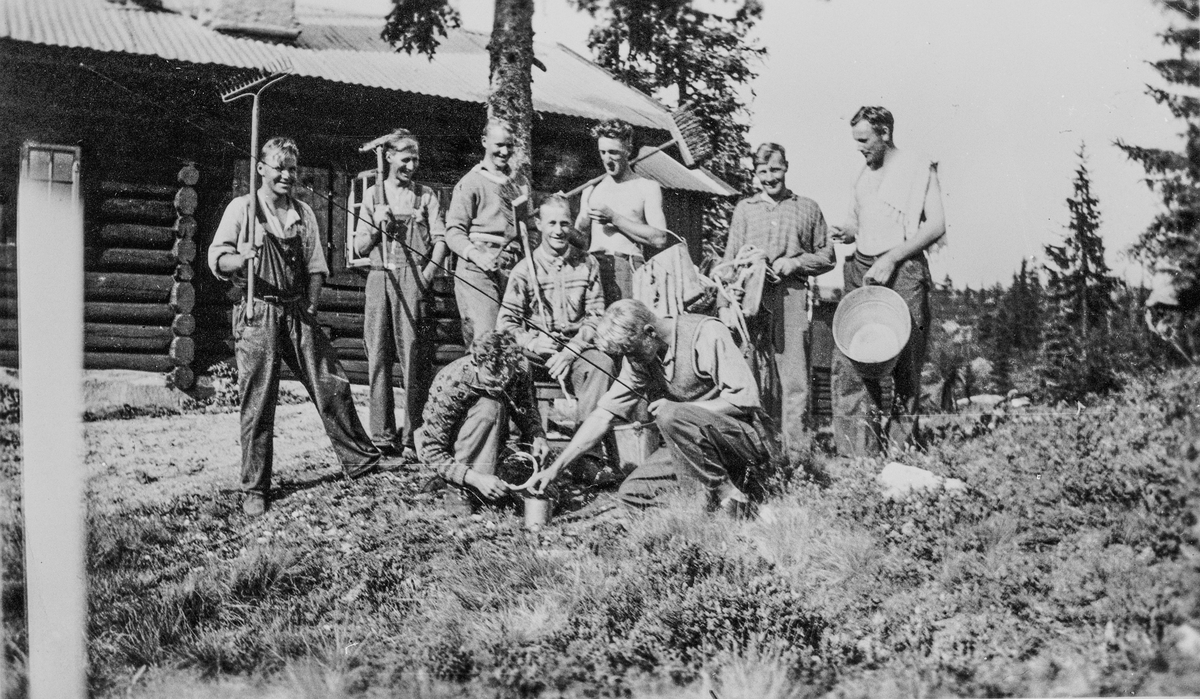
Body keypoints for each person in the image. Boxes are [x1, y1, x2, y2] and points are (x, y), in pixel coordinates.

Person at [208, 137, 386, 516]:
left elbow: (317, 266)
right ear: (261, 168)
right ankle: (255, 488)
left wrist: (310, 304)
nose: (287, 175)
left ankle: (360, 460)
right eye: (279, 167)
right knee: (259, 401)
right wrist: (241, 257)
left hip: (296, 310)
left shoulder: (302, 213)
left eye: (293, 169)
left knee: (330, 381)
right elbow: (216, 259)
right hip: (257, 311)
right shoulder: (243, 209)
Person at [519, 299, 769, 516]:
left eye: (632, 352)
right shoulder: (642, 355)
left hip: (739, 440)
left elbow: (742, 401)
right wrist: (555, 468)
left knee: (670, 414)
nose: (632, 360)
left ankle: (728, 494)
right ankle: (703, 503)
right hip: (690, 448)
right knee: (632, 494)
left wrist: (681, 411)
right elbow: (603, 415)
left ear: (649, 332)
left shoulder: (706, 334)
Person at [829, 106, 947, 456]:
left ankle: (899, 450)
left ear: (885, 133)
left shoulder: (917, 169)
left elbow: (936, 225)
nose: (860, 148)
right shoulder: (862, 175)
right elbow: (858, 220)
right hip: (862, 270)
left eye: (865, 140)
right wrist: (847, 231)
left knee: (905, 362)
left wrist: (892, 258)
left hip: (903, 267)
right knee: (852, 359)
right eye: (856, 141)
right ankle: (856, 454)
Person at [719, 143, 836, 455]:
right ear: (755, 173)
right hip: (750, 300)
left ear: (786, 167)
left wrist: (795, 263)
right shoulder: (745, 209)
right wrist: (723, 307)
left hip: (792, 296)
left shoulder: (807, 207)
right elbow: (729, 259)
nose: (769, 177)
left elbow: (828, 256)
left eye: (775, 169)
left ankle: (797, 458)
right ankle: (761, 450)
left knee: (794, 377)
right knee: (752, 374)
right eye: (762, 171)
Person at [353, 128, 447, 459]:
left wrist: (426, 277)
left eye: (416, 160)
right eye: (405, 159)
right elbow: (359, 245)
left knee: (414, 359)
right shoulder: (374, 195)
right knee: (378, 356)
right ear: (389, 157)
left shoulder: (426, 196)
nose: (411, 166)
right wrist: (379, 227)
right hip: (380, 278)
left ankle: (413, 436)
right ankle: (382, 436)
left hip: (413, 280)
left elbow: (441, 242)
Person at [495, 194, 615, 438]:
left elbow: (596, 317)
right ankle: (525, 445)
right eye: (552, 223)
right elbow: (505, 323)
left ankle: (587, 453)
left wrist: (571, 351)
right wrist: (532, 342)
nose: (559, 231)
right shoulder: (525, 269)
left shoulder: (587, 263)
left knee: (602, 364)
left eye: (564, 224)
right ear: (539, 225)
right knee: (514, 363)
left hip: (576, 349)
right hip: (538, 355)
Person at [415, 330, 549, 509]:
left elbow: (526, 409)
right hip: (452, 451)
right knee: (491, 407)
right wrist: (474, 478)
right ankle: (461, 488)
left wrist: (537, 435)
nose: (500, 386)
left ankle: (491, 479)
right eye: (491, 382)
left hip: (491, 445)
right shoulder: (452, 380)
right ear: (477, 363)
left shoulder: (521, 367)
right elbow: (429, 449)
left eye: (504, 380)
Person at [444, 119, 529, 344]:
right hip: (478, 269)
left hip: (512, 268)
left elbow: (525, 228)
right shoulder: (470, 182)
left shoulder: (520, 183)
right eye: (499, 145)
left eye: (510, 146)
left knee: (513, 338)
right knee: (486, 339)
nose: (504, 151)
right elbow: (453, 232)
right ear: (484, 142)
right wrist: (477, 255)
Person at [575, 119, 671, 304]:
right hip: (593, 268)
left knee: (626, 329)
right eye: (602, 152)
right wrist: (561, 215)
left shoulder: (646, 187)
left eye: (613, 152)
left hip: (627, 270)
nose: (607, 159)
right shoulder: (592, 189)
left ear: (628, 149)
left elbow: (660, 239)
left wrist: (615, 218)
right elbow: (579, 239)